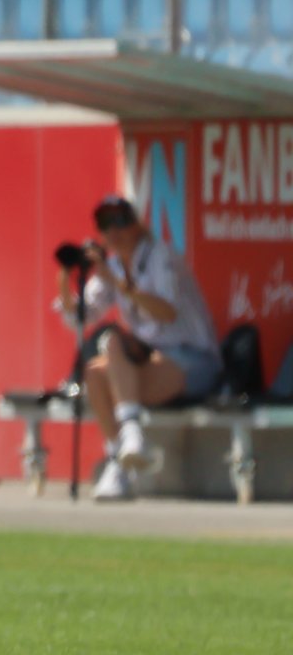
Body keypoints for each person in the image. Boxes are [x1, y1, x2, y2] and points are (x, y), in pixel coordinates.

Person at [59, 196, 223, 501]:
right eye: (105, 225)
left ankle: (126, 445)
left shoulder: (160, 257)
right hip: (150, 362)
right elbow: (79, 317)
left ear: (136, 225)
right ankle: (120, 456)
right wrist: (66, 276)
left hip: (194, 359)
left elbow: (166, 312)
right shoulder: (111, 266)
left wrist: (117, 284)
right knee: (95, 372)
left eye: (120, 221)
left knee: (114, 344)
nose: (113, 231)